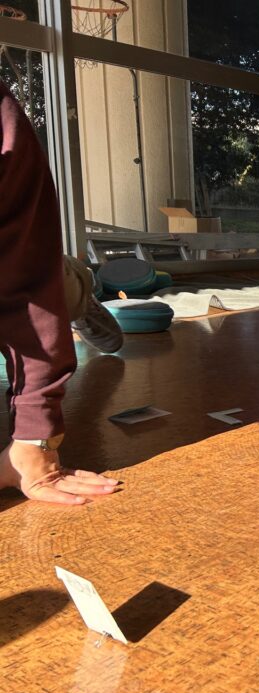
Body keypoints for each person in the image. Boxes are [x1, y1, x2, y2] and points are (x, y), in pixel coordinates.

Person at [0, 84, 119, 505]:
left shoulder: (4, 127)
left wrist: (36, 440)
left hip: (27, 270)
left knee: (52, 283)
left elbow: (28, 279)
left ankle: (80, 288)